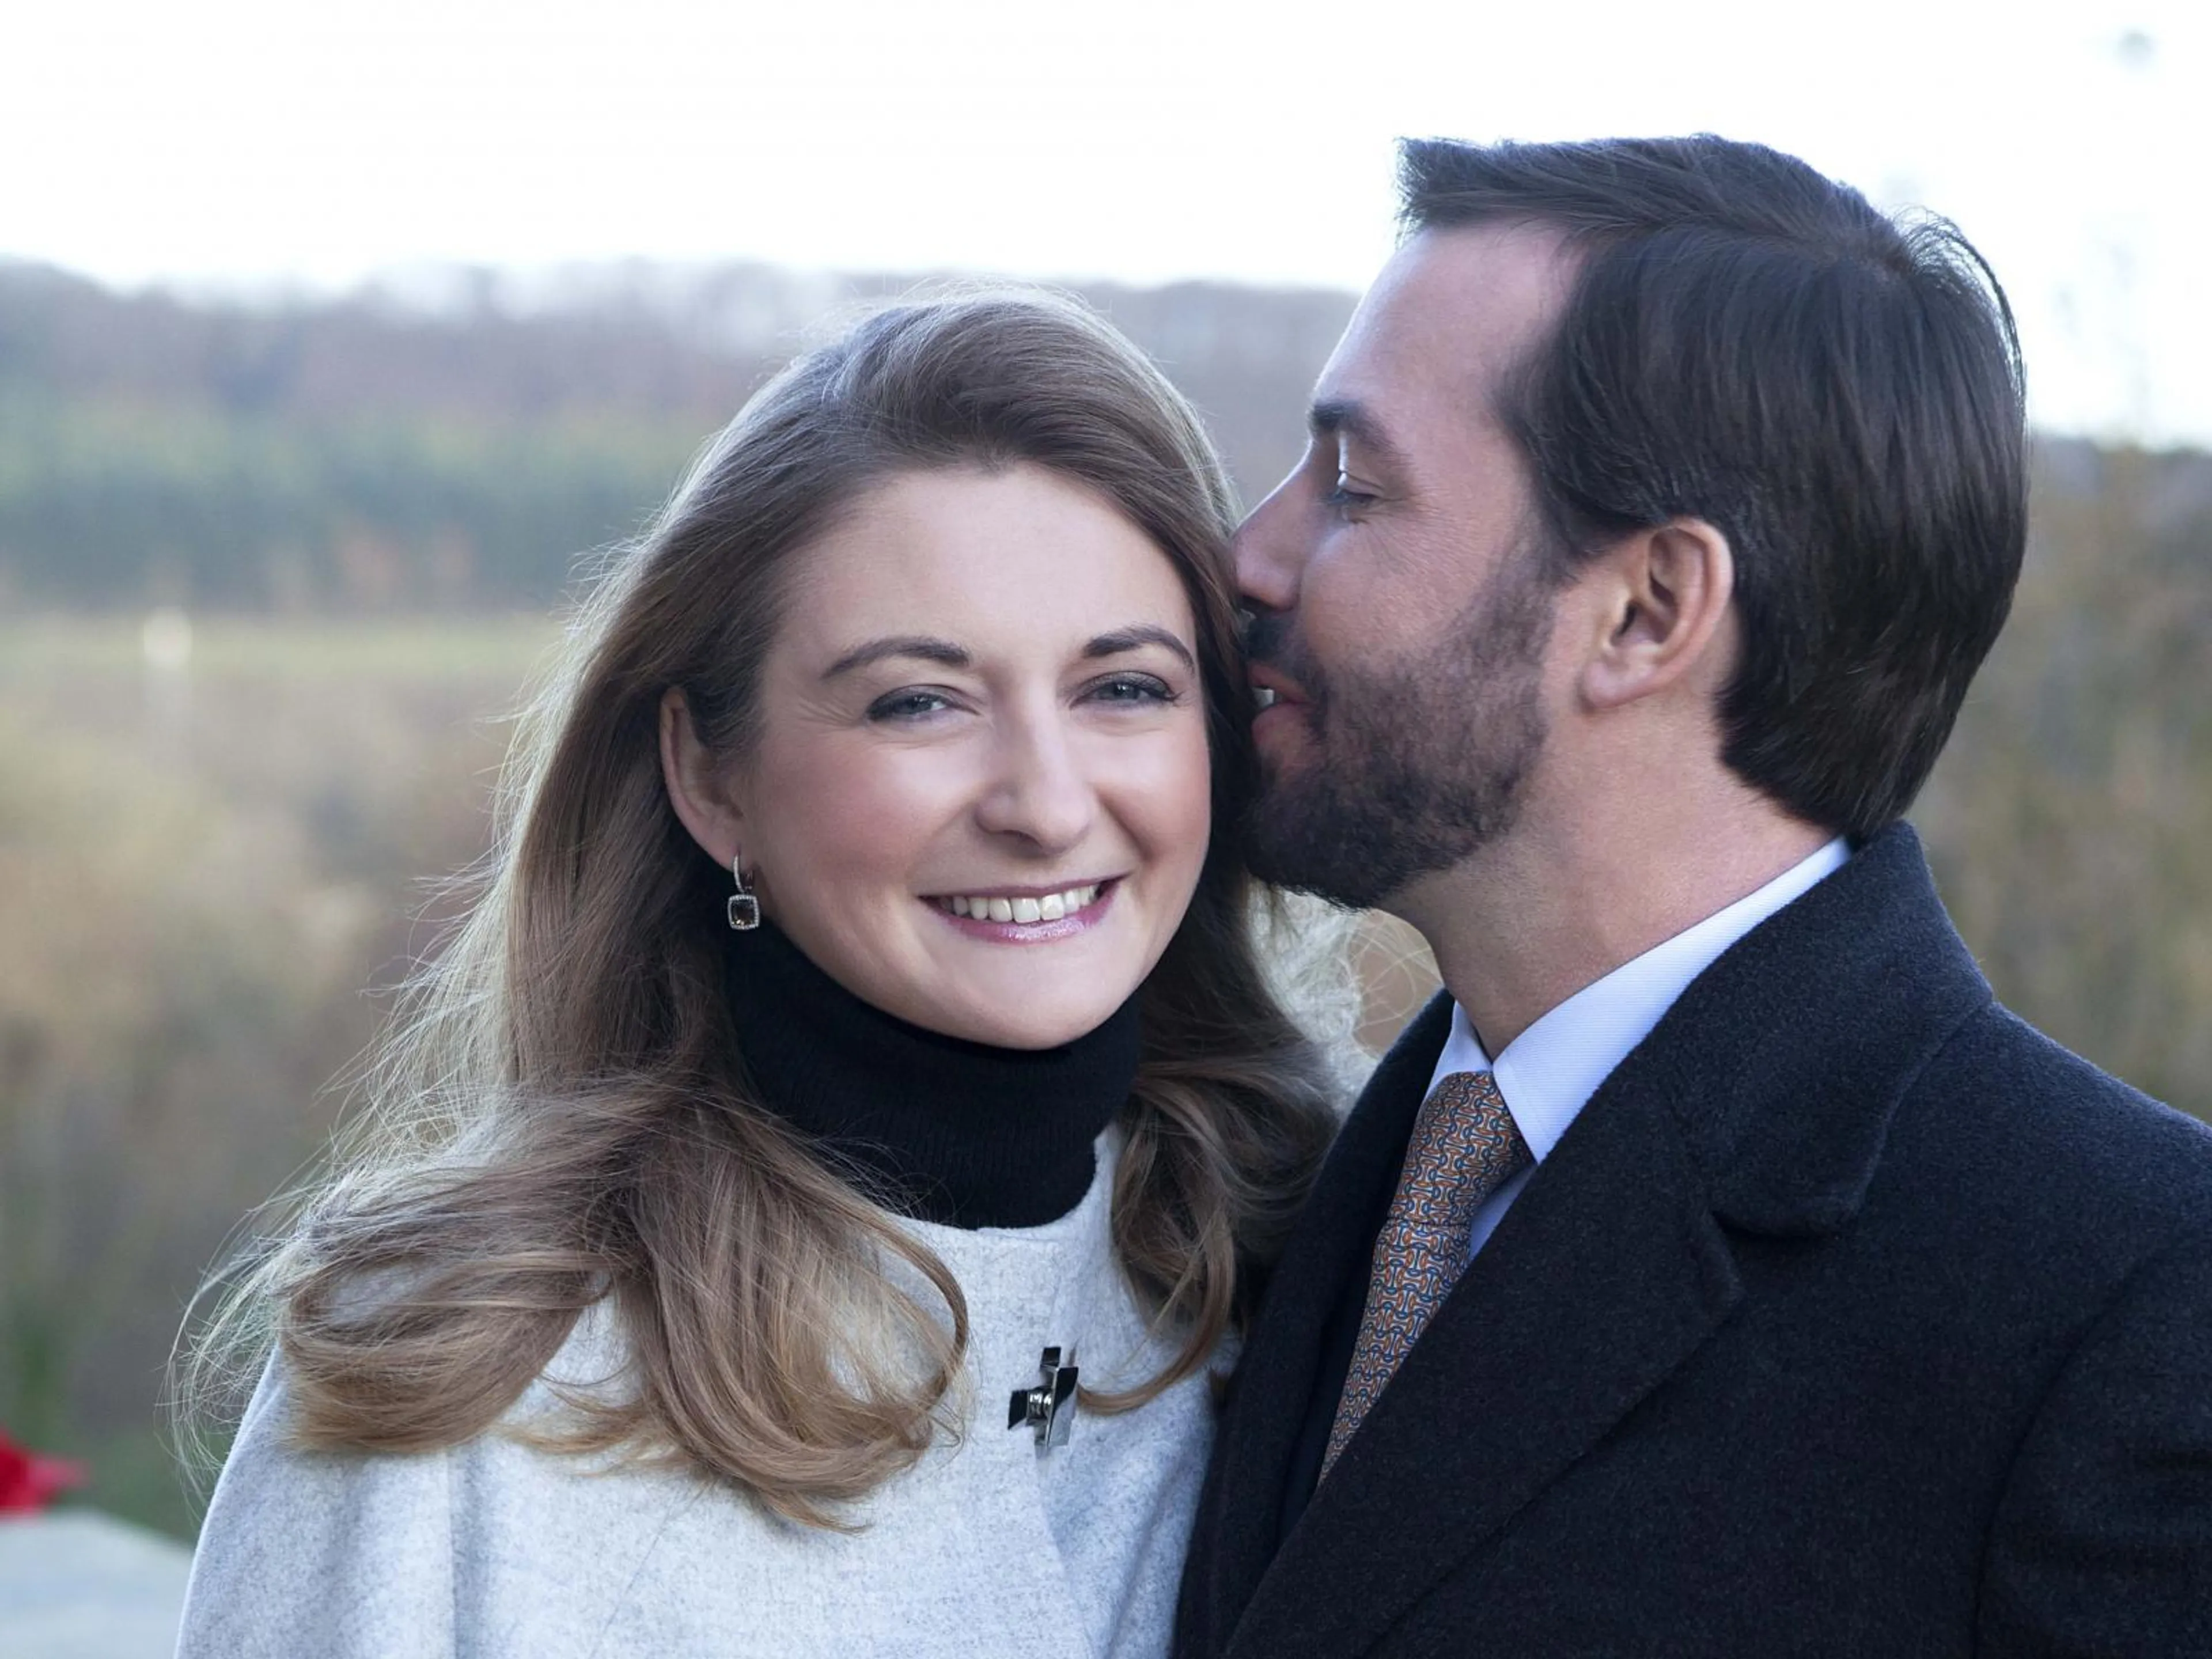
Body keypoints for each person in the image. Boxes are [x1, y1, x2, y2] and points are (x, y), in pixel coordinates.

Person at [176, 290, 1341, 1658]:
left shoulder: (1326, 1271)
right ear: (709, 775)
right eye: (919, 701)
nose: (1045, 802)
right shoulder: (454, 1387)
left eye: (1124, 688)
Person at [1175, 136, 2212, 1657]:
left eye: (1354, 488)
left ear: (1647, 612)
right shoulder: (1298, 1178)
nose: (1247, 558)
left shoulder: (2130, 1302)